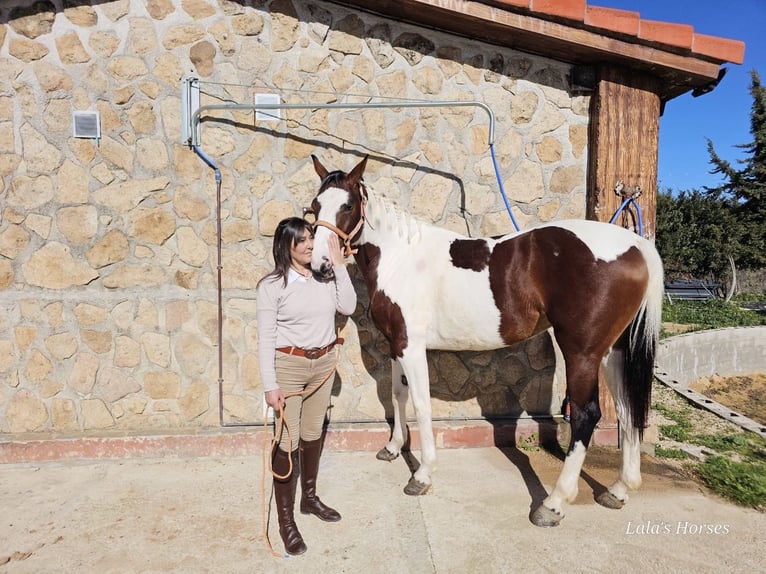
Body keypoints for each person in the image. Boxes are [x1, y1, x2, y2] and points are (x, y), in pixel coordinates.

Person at [256, 216, 357, 556]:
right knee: (287, 439)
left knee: (312, 434)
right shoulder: (272, 286)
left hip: (324, 365)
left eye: (311, 237)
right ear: (287, 245)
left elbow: (349, 307)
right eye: (303, 240)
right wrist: (270, 385)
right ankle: (286, 522)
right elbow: (265, 338)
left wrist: (340, 267)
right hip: (289, 367)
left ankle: (309, 499)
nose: (311, 244)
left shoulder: (325, 277)